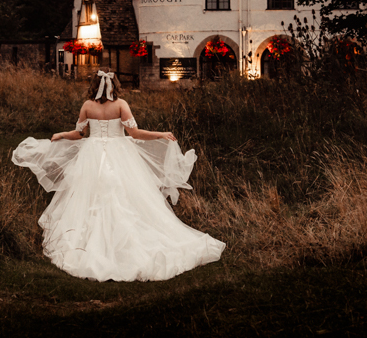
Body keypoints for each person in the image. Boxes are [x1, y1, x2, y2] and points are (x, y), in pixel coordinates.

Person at [12, 68, 225, 281]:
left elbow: (79, 134)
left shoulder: (87, 106)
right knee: (126, 194)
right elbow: (135, 133)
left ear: (94, 85)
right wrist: (160, 134)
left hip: (92, 154)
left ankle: (88, 242)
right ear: (114, 84)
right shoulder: (121, 104)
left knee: (90, 194)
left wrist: (61, 135)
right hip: (120, 153)